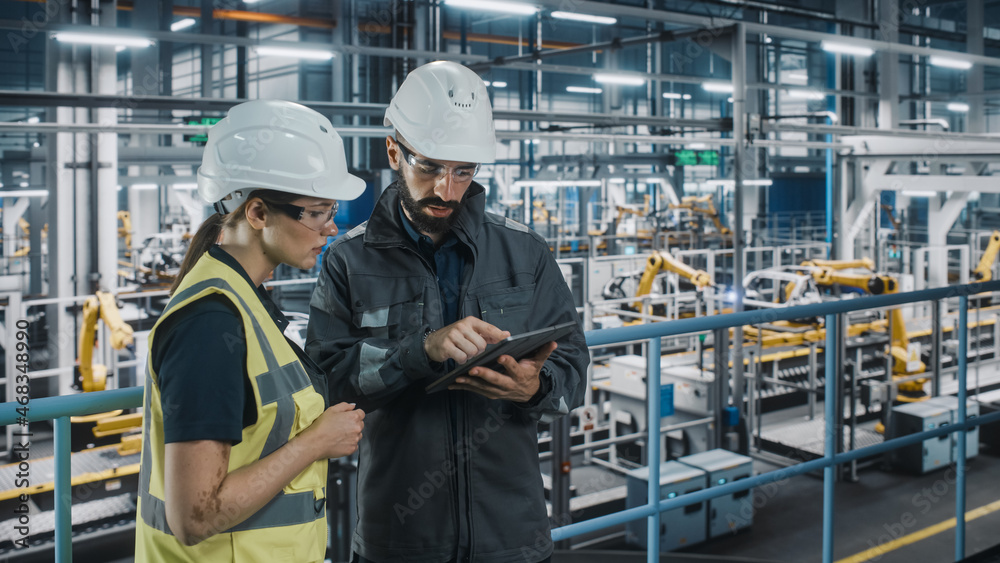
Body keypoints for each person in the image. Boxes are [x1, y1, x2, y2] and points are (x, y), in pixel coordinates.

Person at [306, 61, 590, 563]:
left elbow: (573, 367)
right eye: (431, 166)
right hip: (399, 538)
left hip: (512, 536)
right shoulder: (348, 261)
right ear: (393, 150)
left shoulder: (526, 253)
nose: (447, 189)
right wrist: (418, 353)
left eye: (464, 171)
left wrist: (536, 387)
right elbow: (327, 384)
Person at [135, 99, 367, 562]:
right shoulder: (210, 324)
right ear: (258, 213)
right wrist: (316, 441)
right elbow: (195, 517)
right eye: (317, 212)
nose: (331, 227)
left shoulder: (243, 300)